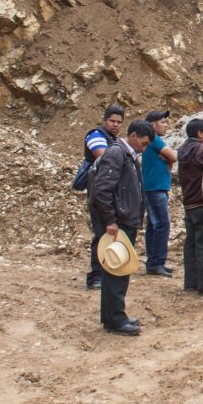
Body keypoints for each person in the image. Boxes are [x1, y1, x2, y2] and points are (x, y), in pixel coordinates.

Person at [91, 119, 153, 335]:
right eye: (143, 143)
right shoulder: (117, 154)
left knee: (117, 270)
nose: (143, 148)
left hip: (123, 220)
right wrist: (110, 220)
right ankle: (116, 319)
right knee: (117, 270)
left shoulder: (127, 155)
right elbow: (102, 190)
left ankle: (113, 316)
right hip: (118, 224)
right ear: (133, 136)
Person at [83, 104, 124, 290]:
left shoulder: (113, 139)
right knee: (101, 234)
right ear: (104, 120)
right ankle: (96, 276)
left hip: (109, 192)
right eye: (112, 121)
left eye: (119, 122)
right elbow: (103, 156)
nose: (115, 124)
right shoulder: (96, 136)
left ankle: (106, 271)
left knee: (107, 234)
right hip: (99, 192)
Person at [176, 118, 203, 296]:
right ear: (200, 133)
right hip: (202, 202)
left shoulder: (183, 150)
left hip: (189, 202)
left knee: (191, 243)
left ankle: (191, 282)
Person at [141, 110, 176, 277]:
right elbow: (173, 156)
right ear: (153, 124)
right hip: (155, 189)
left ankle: (153, 261)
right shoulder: (154, 139)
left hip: (153, 188)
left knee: (154, 226)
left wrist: (168, 160)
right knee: (162, 224)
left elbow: (170, 159)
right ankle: (157, 263)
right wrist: (169, 159)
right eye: (163, 122)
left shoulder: (152, 141)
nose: (166, 124)